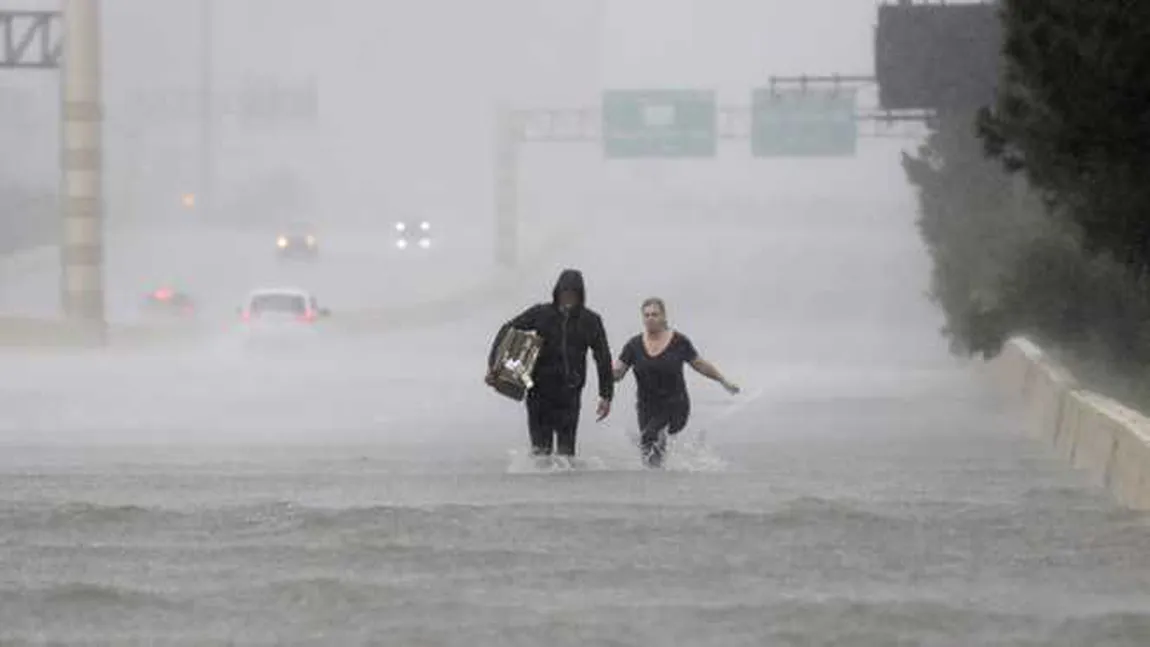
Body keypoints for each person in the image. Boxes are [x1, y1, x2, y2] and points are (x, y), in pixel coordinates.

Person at [486, 269, 614, 459]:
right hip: (539, 392)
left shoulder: (591, 321)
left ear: (581, 295)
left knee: (566, 455)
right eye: (564, 293)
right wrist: (495, 364)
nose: (568, 298)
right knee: (540, 454)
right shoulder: (542, 313)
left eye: (573, 294)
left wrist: (606, 395)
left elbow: (602, 357)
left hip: (569, 395)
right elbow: (508, 328)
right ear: (557, 292)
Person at [614, 297, 739, 468]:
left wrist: (723, 381)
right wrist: (606, 374)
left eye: (655, 314)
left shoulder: (679, 342)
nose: (650, 318)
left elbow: (700, 365)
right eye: (647, 315)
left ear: (664, 316)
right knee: (649, 451)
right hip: (646, 406)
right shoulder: (633, 345)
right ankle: (657, 483)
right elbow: (618, 372)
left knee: (649, 436)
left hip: (675, 404)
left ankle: (659, 474)